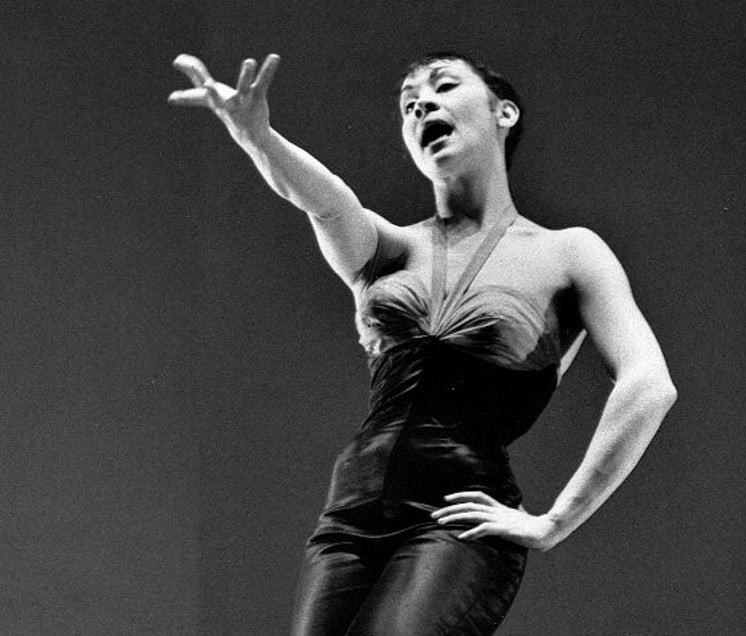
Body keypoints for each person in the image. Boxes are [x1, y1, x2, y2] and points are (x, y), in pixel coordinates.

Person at [169, 50, 677, 636]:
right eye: (408, 102)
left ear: (503, 113)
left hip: (454, 517)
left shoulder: (570, 252)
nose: (420, 103)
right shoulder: (388, 251)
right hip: (348, 517)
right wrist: (257, 137)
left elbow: (648, 383)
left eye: (442, 86)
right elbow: (326, 200)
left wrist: (556, 520)